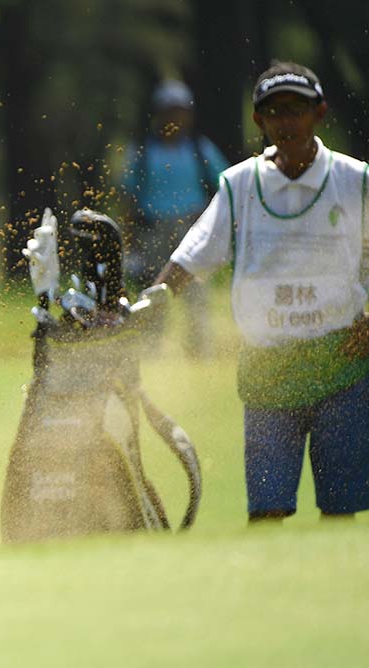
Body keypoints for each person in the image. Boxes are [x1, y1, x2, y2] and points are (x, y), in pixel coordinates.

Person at [154, 61, 369, 522]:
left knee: (339, 511)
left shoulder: (355, 180)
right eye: (274, 112)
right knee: (266, 511)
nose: (285, 122)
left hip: (342, 366)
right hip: (267, 368)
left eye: (297, 110)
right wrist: (152, 303)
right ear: (259, 120)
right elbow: (193, 257)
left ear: (320, 113)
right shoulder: (241, 185)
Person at [121, 80, 230, 357]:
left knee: (195, 293)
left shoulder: (199, 148)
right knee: (154, 294)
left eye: (180, 111)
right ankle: (150, 354)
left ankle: (199, 354)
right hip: (153, 232)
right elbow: (128, 197)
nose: (175, 117)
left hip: (191, 229)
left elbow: (227, 184)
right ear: (158, 113)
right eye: (169, 111)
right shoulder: (143, 151)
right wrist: (130, 242)